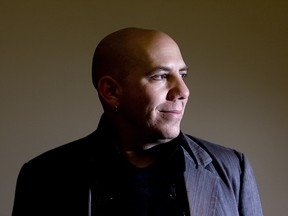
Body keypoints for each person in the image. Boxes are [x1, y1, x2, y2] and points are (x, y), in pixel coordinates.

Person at [12, 27, 263, 216]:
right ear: (110, 91)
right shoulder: (44, 176)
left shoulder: (232, 168)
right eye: (161, 76)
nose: (183, 90)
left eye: (182, 74)